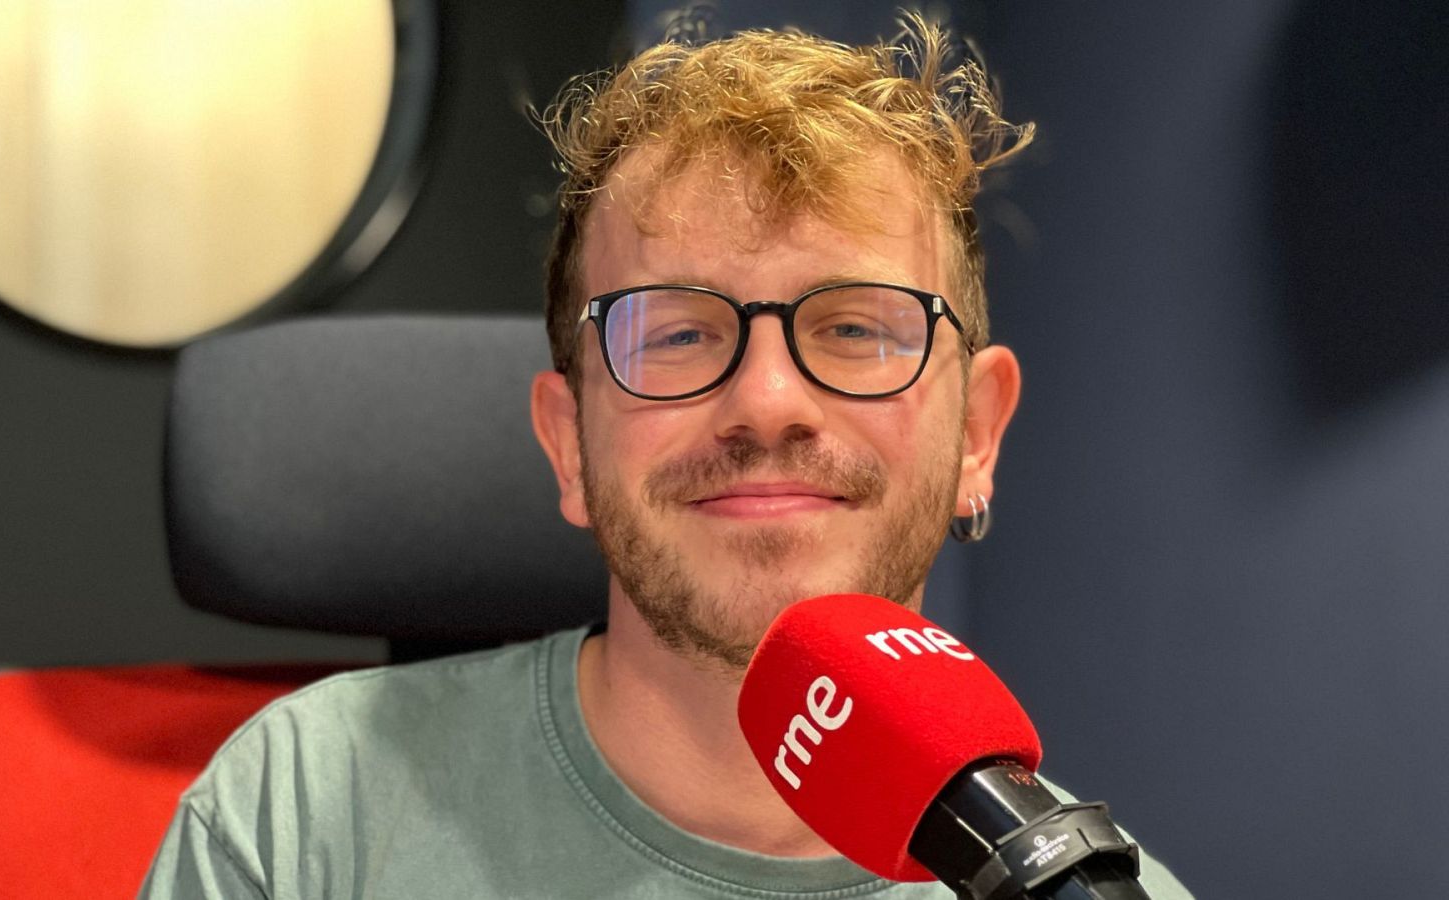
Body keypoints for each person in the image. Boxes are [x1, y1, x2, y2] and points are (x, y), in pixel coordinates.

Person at [141, 13, 1194, 898]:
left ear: (974, 434)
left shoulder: (1082, 892)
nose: (768, 401)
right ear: (568, 443)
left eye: (855, 330)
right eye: (679, 335)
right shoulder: (301, 811)